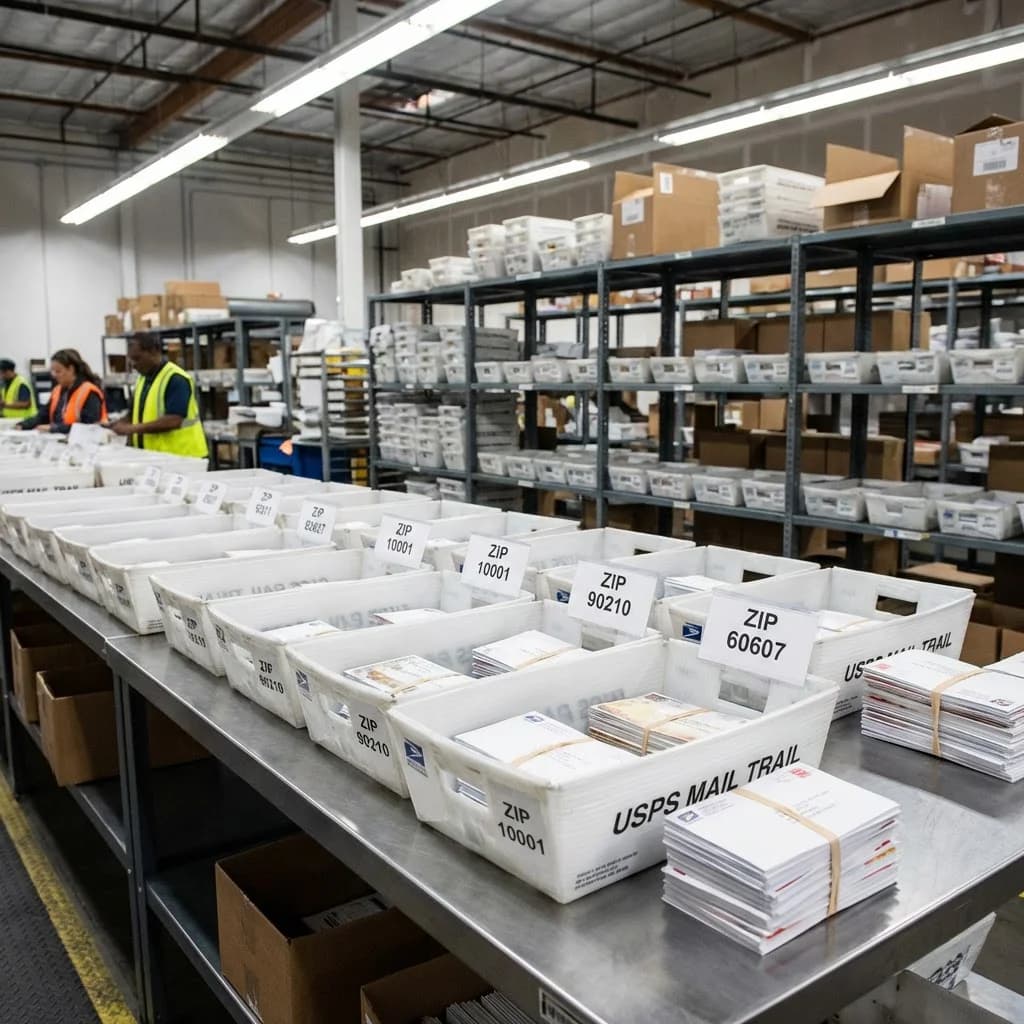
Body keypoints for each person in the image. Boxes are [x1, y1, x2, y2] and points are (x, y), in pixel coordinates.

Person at [109, 335, 208, 457]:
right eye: (131, 360)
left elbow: (174, 420)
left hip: (184, 457)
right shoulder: (142, 380)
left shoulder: (176, 379)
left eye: (137, 358)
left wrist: (131, 429)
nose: (133, 365)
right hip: (157, 458)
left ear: (153, 352)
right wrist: (116, 424)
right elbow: (135, 414)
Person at [17, 349, 105, 433]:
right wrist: (24, 425)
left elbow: (90, 427)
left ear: (71, 369)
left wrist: (54, 429)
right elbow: (43, 416)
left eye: (58, 371)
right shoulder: (57, 390)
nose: (54, 375)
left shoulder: (89, 391)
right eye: (52, 371)